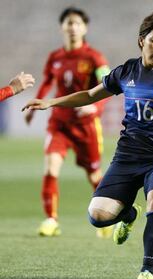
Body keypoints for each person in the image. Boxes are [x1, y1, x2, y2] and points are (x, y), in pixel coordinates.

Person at [23, 10, 153, 279]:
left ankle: (148, 270)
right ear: (141, 41)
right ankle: (128, 213)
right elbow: (90, 95)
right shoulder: (127, 71)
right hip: (127, 155)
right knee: (97, 216)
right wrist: (50, 103)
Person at [24, 7, 111, 238]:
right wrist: (36, 105)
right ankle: (50, 219)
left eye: (77, 23)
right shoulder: (55, 57)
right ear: (62, 27)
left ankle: (107, 216)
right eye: (68, 23)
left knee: (94, 176)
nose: (72, 27)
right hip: (59, 124)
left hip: (86, 127)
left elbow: (108, 88)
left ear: (85, 28)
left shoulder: (95, 58)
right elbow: (47, 82)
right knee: (50, 169)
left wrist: (95, 107)